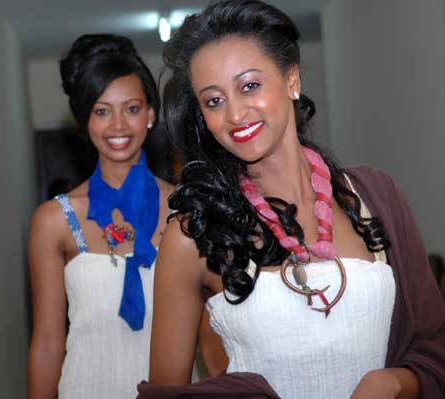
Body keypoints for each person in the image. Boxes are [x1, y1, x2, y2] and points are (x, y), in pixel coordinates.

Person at [148, 1, 445, 398]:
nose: (235, 113)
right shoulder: (192, 236)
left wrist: (390, 382)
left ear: (291, 79)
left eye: (249, 85)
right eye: (214, 101)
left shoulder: (376, 196)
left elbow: (434, 348)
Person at [27, 33, 174, 399]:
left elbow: (210, 326)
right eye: (102, 111)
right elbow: (47, 343)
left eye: (132, 108)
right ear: (84, 121)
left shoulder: (184, 210)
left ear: (151, 114)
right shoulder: (54, 220)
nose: (119, 125)